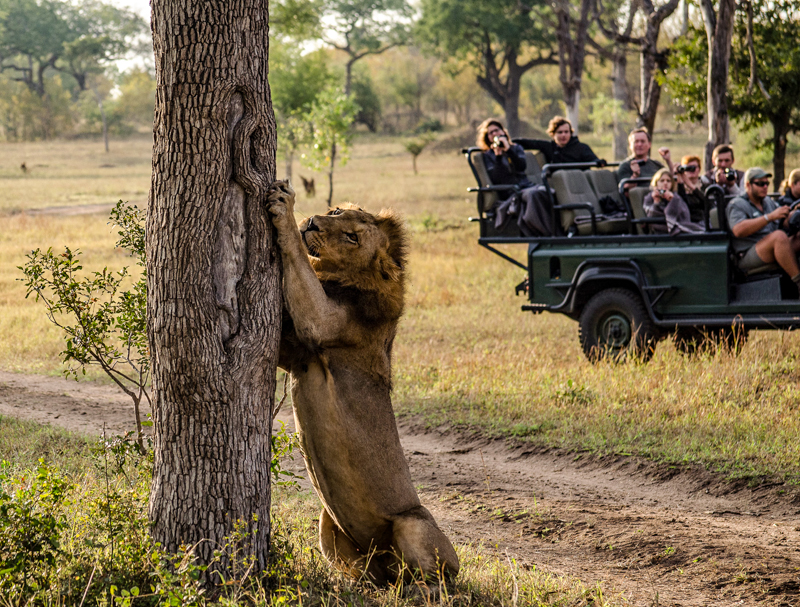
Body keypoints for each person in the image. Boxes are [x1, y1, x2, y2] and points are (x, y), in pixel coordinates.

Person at [475, 118, 554, 236]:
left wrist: (509, 150)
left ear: (503, 131)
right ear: (487, 138)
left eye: (496, 130)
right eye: (490, 133)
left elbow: (521, 166)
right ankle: (543, 232)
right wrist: (498, 157)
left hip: (526, 186)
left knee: (548, 191)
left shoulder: (516, 148)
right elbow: (497, 178)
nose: (494, 134)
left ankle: (558, 230)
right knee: (533, 195)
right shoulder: (488, 156)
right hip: (510, 191)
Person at [726, 167, 800, 286]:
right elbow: (738, 230)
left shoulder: (767, 202)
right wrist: (768, 217)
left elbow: (782, 219)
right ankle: (798, 282)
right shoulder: (737, 204)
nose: (765, 187)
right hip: (749, 253)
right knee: (779, 237)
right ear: (748, 185)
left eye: (766, 183)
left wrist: (792, 214)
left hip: (773, 246)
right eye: (760, 184)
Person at [643, 168, 704, 235]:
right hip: (660, 227)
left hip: (679, 225)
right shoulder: (650, 197)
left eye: (668, 181)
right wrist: (656, 202)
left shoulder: (675, 196)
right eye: (662, 181)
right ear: (656, 183)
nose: (665, 183)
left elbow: (684, 214)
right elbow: (650, 216)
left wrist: (672, 200)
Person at [515, 116, 600, 164]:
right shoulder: (548, 147)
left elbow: (593, 160)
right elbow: (527, 143)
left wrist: (599, 162)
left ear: (571, 133)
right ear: (553, 134)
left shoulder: (581, 148)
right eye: (560, 132)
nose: (563, 135)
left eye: (566, 132)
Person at [657, 149, 707, 224]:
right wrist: (680, 178)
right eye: (688, 168)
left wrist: (689, 184)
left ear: (699, 169)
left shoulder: (705, 185)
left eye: (693, 167)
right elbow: (682, 203)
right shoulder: (679, 187)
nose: (691, 170)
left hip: (702, 221)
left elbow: (706, 202)